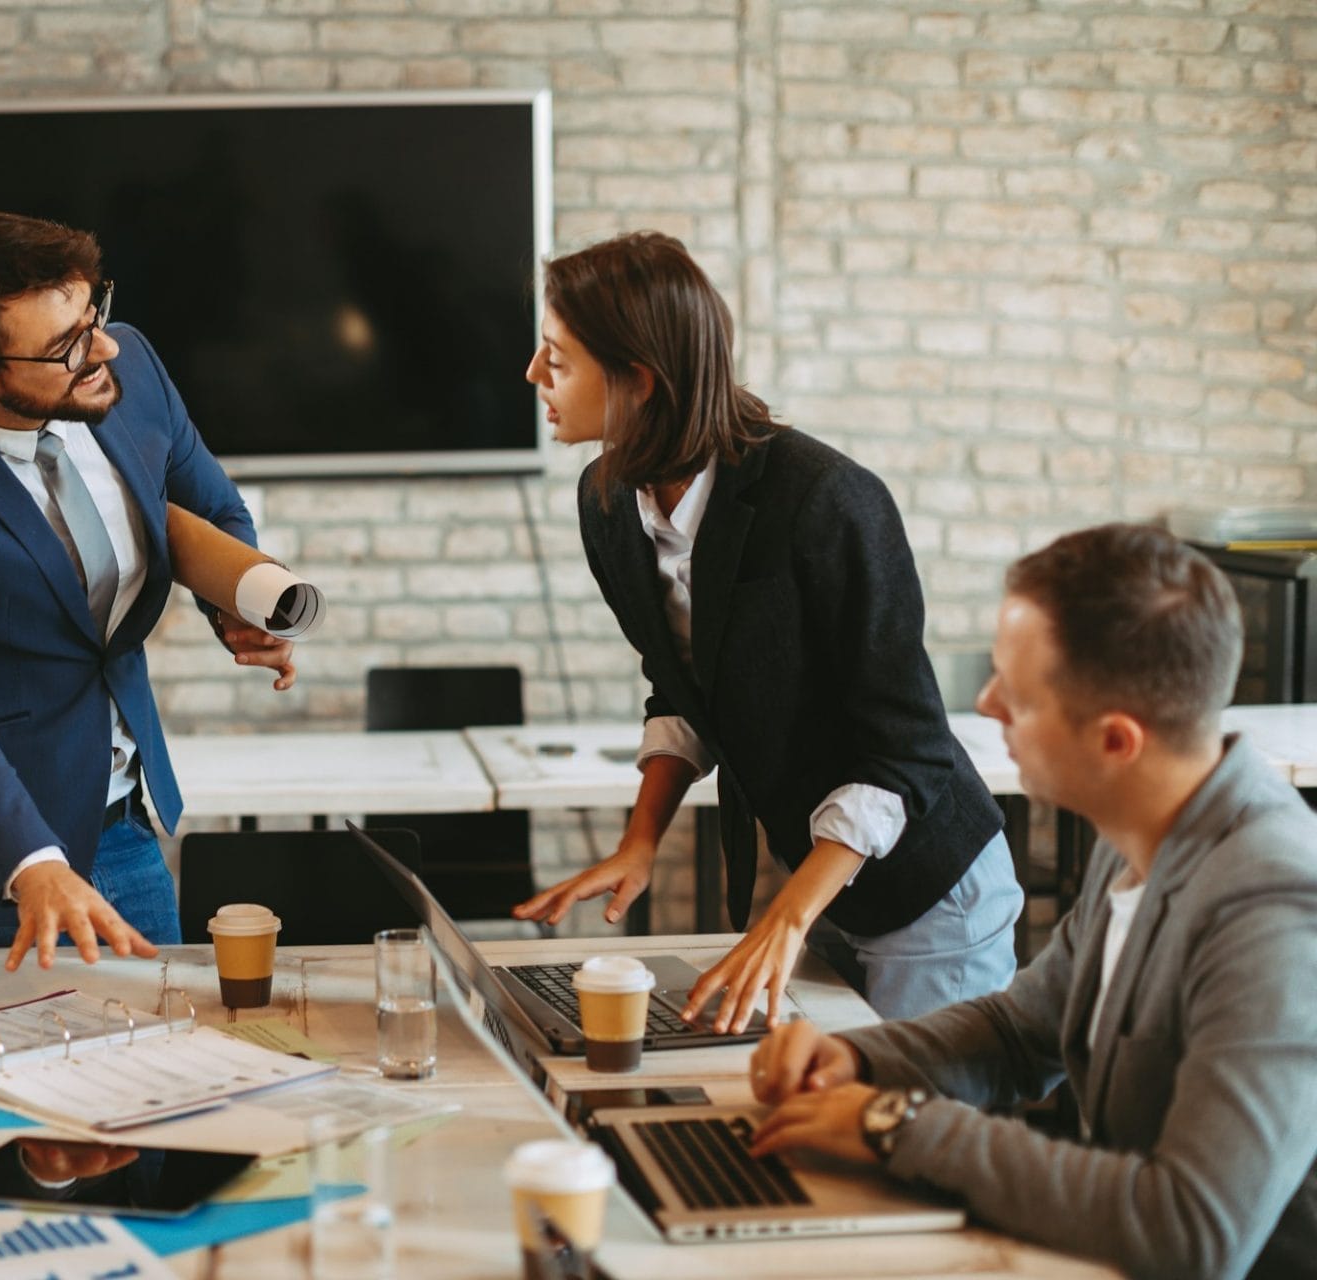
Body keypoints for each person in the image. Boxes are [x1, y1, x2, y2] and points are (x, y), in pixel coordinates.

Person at [746, 523, 1317, 1279]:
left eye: (1016, 694)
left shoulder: (1275, 906)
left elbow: (1192, 1229)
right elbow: (1022, 1033)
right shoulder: (1145, 831)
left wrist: (898, 1123)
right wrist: (856, 1059)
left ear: (1117, 742)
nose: (985, 707)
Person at [513, 232, 1022, 1029]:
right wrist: (640, 840)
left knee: (909, 1138)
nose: (535, 376)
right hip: (821, 886)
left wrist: (788, 917)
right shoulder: (608, 504)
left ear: (638, 381)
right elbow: (678, 686)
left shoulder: (827, 501)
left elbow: (907, 750)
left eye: (558, 358)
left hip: (931, 893)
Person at [0, 208, 294, 974]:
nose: (102, 346)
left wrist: (233, 601)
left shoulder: (125, 365)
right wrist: (29, 861)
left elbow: (210, 506)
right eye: (67, 346)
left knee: (160, 1067)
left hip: (124, 824)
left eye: (94, 312)